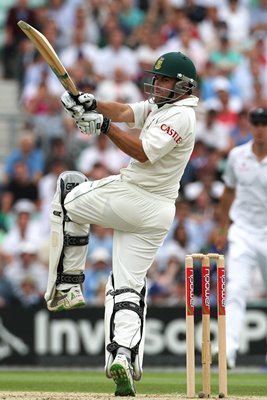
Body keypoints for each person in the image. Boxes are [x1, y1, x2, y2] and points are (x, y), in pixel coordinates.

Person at [45, 51, 198, 396]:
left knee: (70, 192)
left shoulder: (181, 117)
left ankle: (68, 285)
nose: (157, 84)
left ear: (184, 86)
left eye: (164, 80)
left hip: (136, 196)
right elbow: (128, 112)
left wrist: (102, 126)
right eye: (156, 78)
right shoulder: (164, 107)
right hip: (157, 214)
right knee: (127, 285)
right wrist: (93, 103)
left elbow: (142, 151)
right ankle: (124, 355)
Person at [215, 107, 267, 369]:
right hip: (243, 232)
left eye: (264, 124)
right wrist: (223, 230)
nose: (260, 128)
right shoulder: (237, 156)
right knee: (235, 289)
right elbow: (227, 195)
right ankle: (228, 350)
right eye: (256, 123)